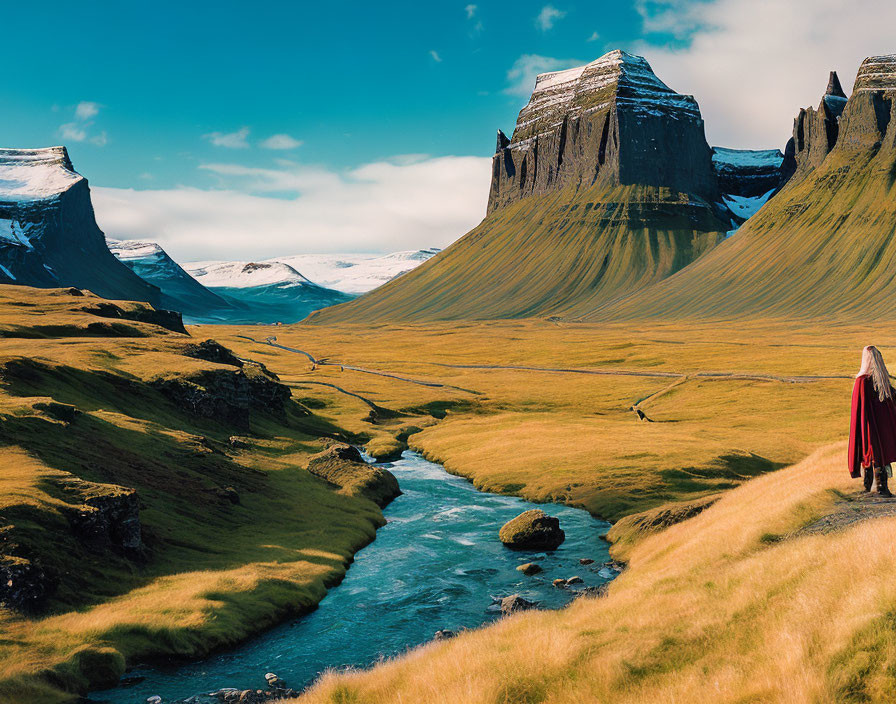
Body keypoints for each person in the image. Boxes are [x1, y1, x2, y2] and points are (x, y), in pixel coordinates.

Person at [848, 346, 896, 497]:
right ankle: (881, 488)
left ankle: (871, 488)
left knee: (869, 452)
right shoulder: (882, 381)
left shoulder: (862, 380)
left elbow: (858, 407)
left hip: (868, 425)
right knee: (879, 453)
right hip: (883, 427)